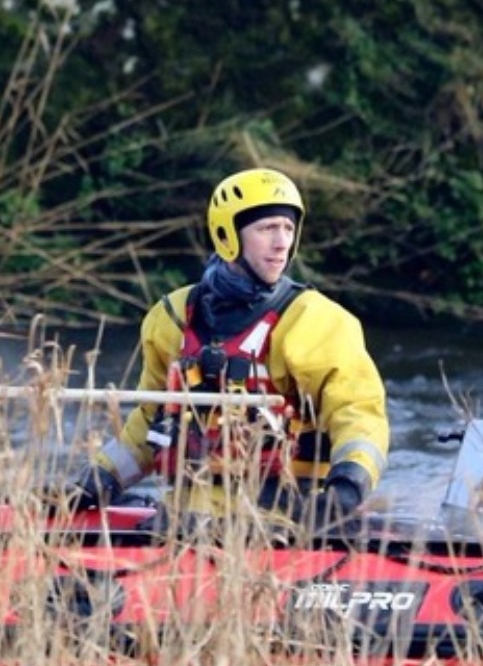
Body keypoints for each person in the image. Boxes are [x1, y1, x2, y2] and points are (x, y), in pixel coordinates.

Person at [70, 168, 389, 535]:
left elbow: (359, 413)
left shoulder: (315, 321)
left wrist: (347, 488)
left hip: (283, 520)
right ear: (227, 236)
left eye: (288, 229)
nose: (282, 242)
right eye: (267, 228)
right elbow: (151, 419)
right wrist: (99, 480)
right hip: (183, 515)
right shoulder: (171, 318)